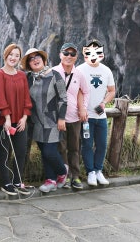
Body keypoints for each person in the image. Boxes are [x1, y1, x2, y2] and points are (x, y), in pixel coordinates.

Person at [24, 47, 68, 193]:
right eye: (31, 58)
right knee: (44, 152)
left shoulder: (55, 75)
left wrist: (62, 118)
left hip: (53, 120)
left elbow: (63, 98)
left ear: (43, 60)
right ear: (28, 64)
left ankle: (62, 170)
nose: (35, 60)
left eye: (37, 57)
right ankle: (51, 180)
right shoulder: (28, 78)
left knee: (50, 152)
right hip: (36, 122)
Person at [0, 43, 33, 196]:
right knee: (4, 152)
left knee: (21, 151)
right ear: (6, 55)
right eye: (11, 54)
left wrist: (24, 117)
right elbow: (0, 98)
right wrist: (7, 119)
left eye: (17, 55)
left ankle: (17, 180)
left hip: (20, 120)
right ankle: (5, 182)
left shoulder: (22, 75)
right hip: (4, 121)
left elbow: (26, 99)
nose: (14, 58)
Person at [78, 38, 116, 187]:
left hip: (101, 116)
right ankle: (90, 172)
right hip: (86, 116)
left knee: (101, 144)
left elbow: (112, 91)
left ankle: (99, 170)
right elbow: (78, 91)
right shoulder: (80, 70)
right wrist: (81, 109)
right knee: (87, 144)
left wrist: (104, 102)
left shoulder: (106, 70)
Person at [52, 42, 89, 190]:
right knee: (61, 148)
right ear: (60, 55)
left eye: (72, 54)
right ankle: (64, 176)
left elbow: (85, 91)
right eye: (66, 53)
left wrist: (83, 109)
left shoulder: (79, 74)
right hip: (58, 118)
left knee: (74, 148)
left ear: (76, 57)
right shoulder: (53, 72)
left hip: (74, 117)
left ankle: (75, 176)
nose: (69, 56)